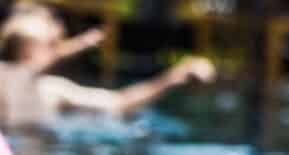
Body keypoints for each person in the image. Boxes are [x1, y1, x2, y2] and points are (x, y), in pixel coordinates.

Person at [0, 7, 216, 128]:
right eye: (51, 44)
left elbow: (119, 102)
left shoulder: (51, 91)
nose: (58, 50)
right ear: (29, 51)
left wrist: (173, 78)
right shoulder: (17, 82)